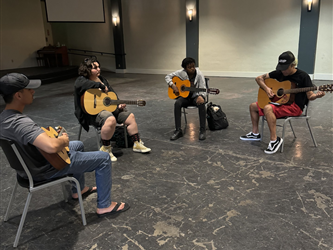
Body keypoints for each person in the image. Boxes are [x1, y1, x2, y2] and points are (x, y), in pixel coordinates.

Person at [0, 73, 129, 217]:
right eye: (28, 89)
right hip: (44, 168)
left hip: (29, 166)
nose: (33, 91)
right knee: (104, 158)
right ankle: (105, 206)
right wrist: (63, 140)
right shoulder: (20, 123)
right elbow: (52, 147)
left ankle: (78, 190)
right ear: (18, 95)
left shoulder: (4, 118)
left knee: (78, 145)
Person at [240, 51, 325, 154]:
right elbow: (259, 78)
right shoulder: (279, 72)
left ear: (293, 65)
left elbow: (310, 96)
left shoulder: (303, 76)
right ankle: (255, 133)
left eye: (285, 68)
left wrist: (316, 96)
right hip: (280, 103)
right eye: (281, 68)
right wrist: (267, 89)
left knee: (268, 108)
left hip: (294, 107)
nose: (282, 71)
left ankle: (274, 140)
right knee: (253, 106)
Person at [74, 58, 151, 162]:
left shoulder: (102, 79)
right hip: (91, 114)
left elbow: (111, 95)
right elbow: (80, 85)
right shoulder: (81, 80)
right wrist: (100, 85)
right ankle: (105, 148)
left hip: (108, 110)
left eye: (98, 67)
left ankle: (137, 143)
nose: (98, 69)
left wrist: (118, 104)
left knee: (130, 117)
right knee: (110, 119)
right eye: (95, 68)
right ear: (87, 69)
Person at [165, 57, 207, 140]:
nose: (192, 69)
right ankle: (178, 130)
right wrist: (173, 85)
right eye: (189, 67)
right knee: (177, 103)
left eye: (193, 66)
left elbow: (203, 88)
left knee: (201, 104)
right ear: (185, 68)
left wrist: (201, 96)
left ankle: (202, 130)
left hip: (195, 97)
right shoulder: (180, 73)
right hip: (185, 98)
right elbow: (167, 77)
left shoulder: (199, 74)